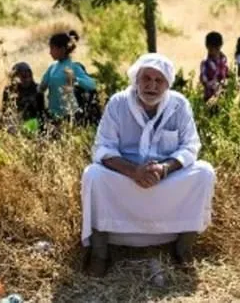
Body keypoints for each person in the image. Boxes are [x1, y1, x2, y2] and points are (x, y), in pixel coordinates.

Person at [81, 53, 217, 277]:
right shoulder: (118, 103)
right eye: (147, 78)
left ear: (167, 84)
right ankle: (100, 254)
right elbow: (103, 148)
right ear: (137, 79)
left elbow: (190, 147)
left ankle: (183, 248)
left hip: (164, 177)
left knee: (204, 172)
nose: (152, 86)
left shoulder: (178, 104)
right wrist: (134, 171)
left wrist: (164, 169)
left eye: (159, 80)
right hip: (125, 176)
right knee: (93, 175)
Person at [39, 30, 97, 122]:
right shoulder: (52, 67)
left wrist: (76, 79)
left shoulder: (74, 67)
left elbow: (92, 84)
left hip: (71, 115)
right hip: (53, 114)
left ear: (62, 49)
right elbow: (41, 87)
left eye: (52, 48)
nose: (50, 52)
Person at [2, 62, 45, 133]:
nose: (27, 79)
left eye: (29, 76)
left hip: (33, 125)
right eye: (23, 77)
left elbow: (41, 112)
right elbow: (5, 112)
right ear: (14, 78)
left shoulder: (36, 88)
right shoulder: (9, 90)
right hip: (15, 125)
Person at [199, 31, 229, 102]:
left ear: (220, 46)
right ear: (207, 46)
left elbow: (227, 74)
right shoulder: (205, 63)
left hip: (224, 96)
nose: (213, 50)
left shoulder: (224, 59)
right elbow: (204, 81)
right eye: (211, 48)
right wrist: (218, 86)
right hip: (210, 98)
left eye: (216, 48)